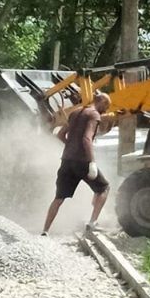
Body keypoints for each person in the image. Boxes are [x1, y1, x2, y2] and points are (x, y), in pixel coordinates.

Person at [41, 92, 112, 235]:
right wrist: (91, 161)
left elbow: (60, 134)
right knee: (104, 188)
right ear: (102, 102)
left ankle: (45, 231)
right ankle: (92, 223)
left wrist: (70, 147)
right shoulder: (94, 115)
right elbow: (87, 138)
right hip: (82, 162)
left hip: (66, 161)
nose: (106, 110)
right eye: (107, 106)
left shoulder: (75, 112)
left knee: (59, 198)